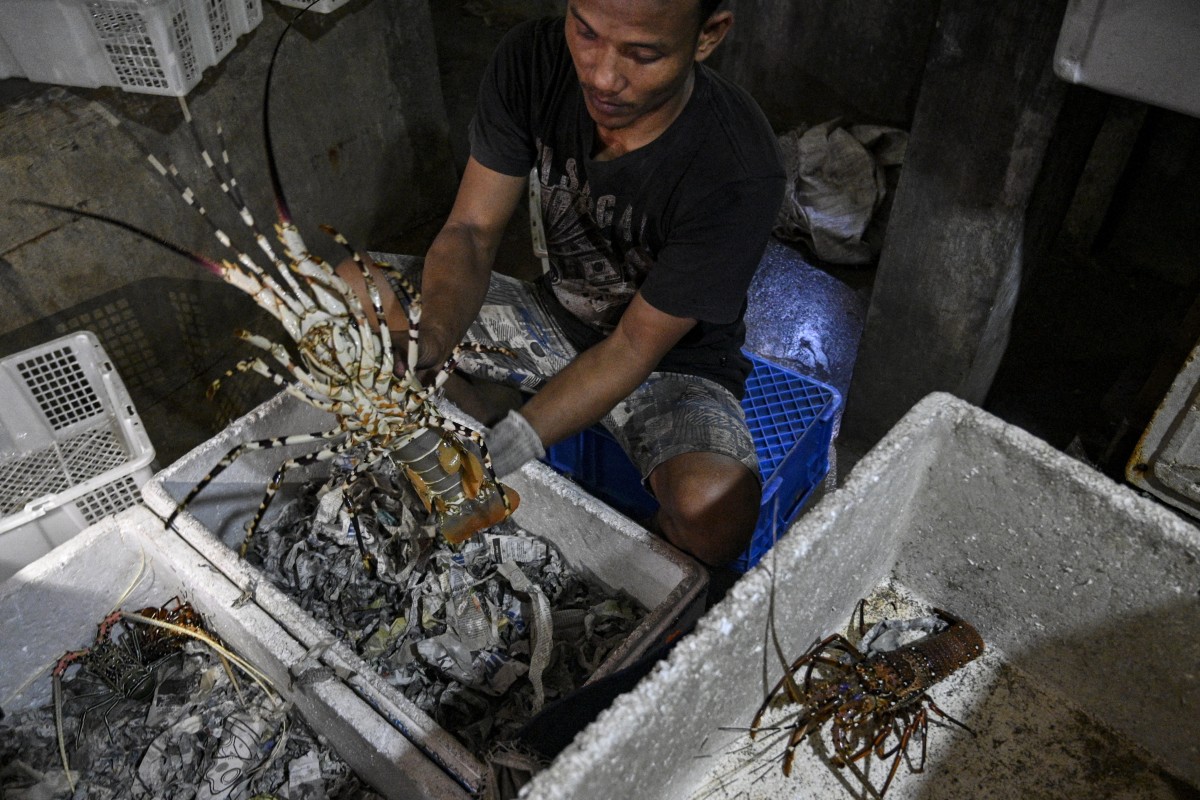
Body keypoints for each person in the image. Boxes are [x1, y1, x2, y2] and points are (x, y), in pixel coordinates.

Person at [344, 0, 785, 567]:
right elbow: (473, 232)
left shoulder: (737, 167)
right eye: (586, 32)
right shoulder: (532, 60)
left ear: (708, 36)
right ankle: (467, 436)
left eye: (643, 54)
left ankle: (504, 466)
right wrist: (432, 337)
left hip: (667, 364)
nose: (602, 76)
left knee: (713, 515)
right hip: (549, 320)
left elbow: (633, 346)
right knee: (348, 293)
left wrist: (519, 439)